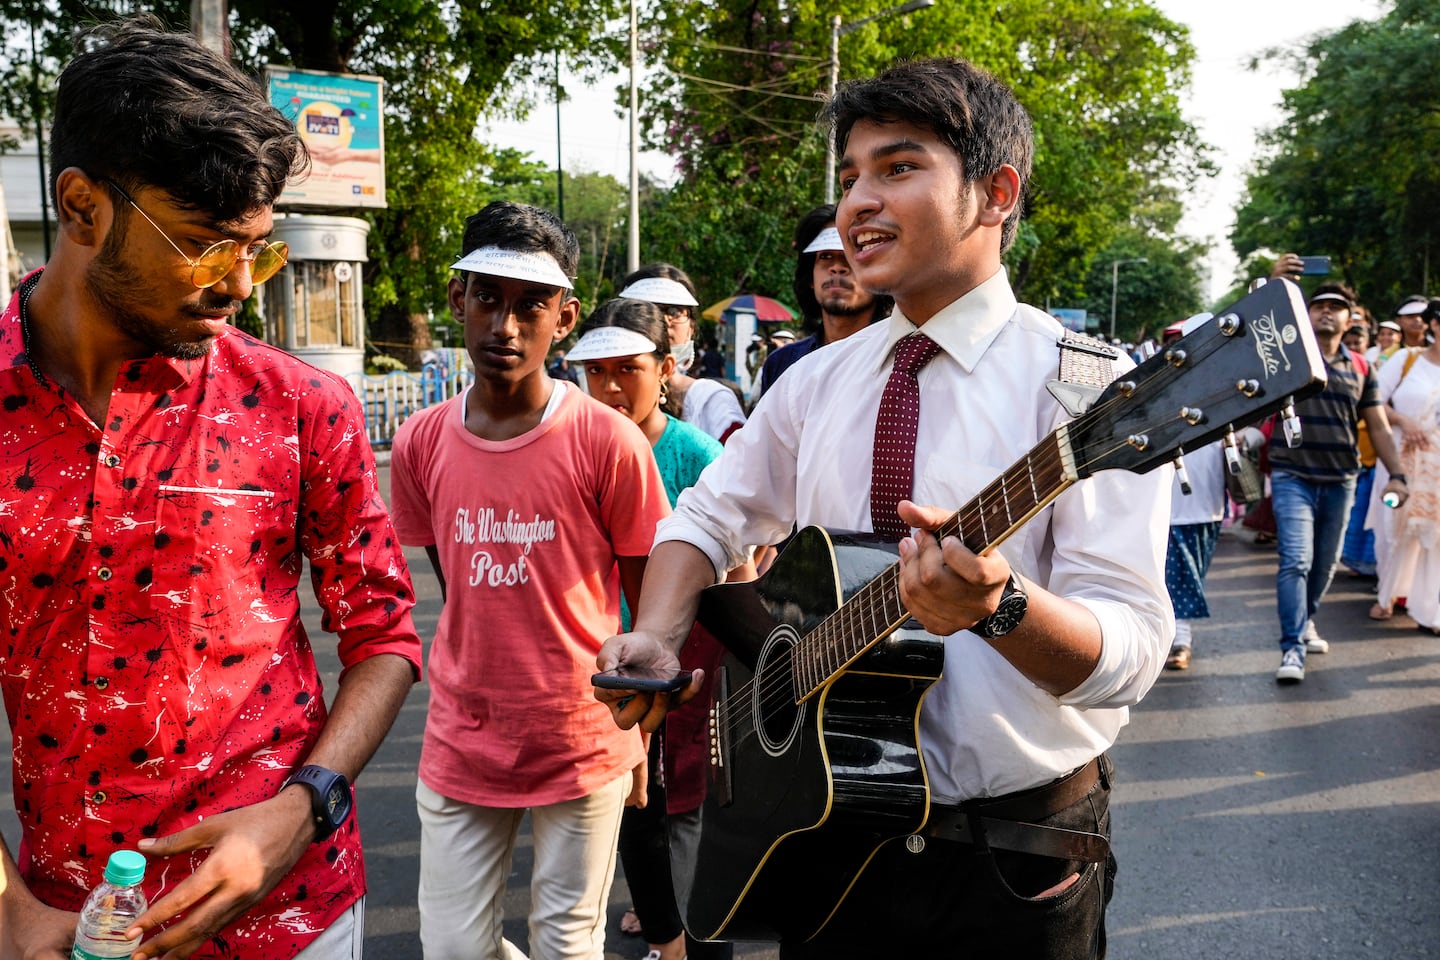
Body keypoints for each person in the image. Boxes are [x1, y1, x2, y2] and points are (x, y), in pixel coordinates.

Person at [596, 57, 1174, 958]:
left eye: (898, 168)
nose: (856, 203)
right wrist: (659, 635)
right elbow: (704, 521)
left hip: (1013, 863)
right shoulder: (814, 383)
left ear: (996, 192)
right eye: (850, 178)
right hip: (825, 840)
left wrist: (1000, 610)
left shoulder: (1090, 391)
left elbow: (1129, 654)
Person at [0, 19, 424, 960]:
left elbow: (385, 635)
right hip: (71, 923)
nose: (240, 283)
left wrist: (303, 809)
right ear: (81, 209)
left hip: (298, 915)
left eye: (259, 249)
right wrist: (8, 906)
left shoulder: (301, 403)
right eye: (203, 245)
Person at [388, 201, 671, 960]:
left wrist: (642, 730)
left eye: (530, 306)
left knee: (568, 944)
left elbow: (649, 610)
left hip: (583, 737)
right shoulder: (419, 442)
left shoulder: (606, 441)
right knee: (452, 948)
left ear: (565, 316)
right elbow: (458, 583)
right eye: (487, 298)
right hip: (462, 737)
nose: (504, 327)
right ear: (457, 299)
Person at [567, 299, 738, 960]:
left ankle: (699, 938)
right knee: (632, 802)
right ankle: (668, 938)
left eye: (629, 369)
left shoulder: (693, 451)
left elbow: (741, 559)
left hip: (686, 659)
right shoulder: (572, 445)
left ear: (665, 368)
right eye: (596, 370)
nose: (611, 387)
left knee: (682, 805)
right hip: (602, 653)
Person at [1267, 283, 1408, 683]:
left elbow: (1378, 426)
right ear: (1307, 315)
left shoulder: (1363, 367)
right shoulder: (1286, 357)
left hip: (1342, 478)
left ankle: (1306, 620)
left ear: (1350, 319)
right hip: (1291, 473)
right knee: (1296, 560)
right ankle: (1292, 646)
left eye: (1336, 308)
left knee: (1325, 565)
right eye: (1320, 306)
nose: (1327, 312)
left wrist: (1397, 474)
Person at [758, 203, 892, 396]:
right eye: (825, 256)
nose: (837, 267)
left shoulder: (902, 363)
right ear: (810, 277)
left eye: (850, 255)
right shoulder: (782, 363)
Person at [1368, 299, 1440, 633]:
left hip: (1436, 463)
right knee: (1393, 527)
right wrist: (1402, 420)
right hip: (1398, 458)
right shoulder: (1406, 359)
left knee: (1435, 533)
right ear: (1433, 326)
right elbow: (1373, 403)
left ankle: (1429, 608)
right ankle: (1388, 594)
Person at [620, 265, 747, 442]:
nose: (663, 320)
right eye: (648, 309)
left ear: (691, 329)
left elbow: (740, 465)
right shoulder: (603, 395)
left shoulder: (711, 402)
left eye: (674, 311)